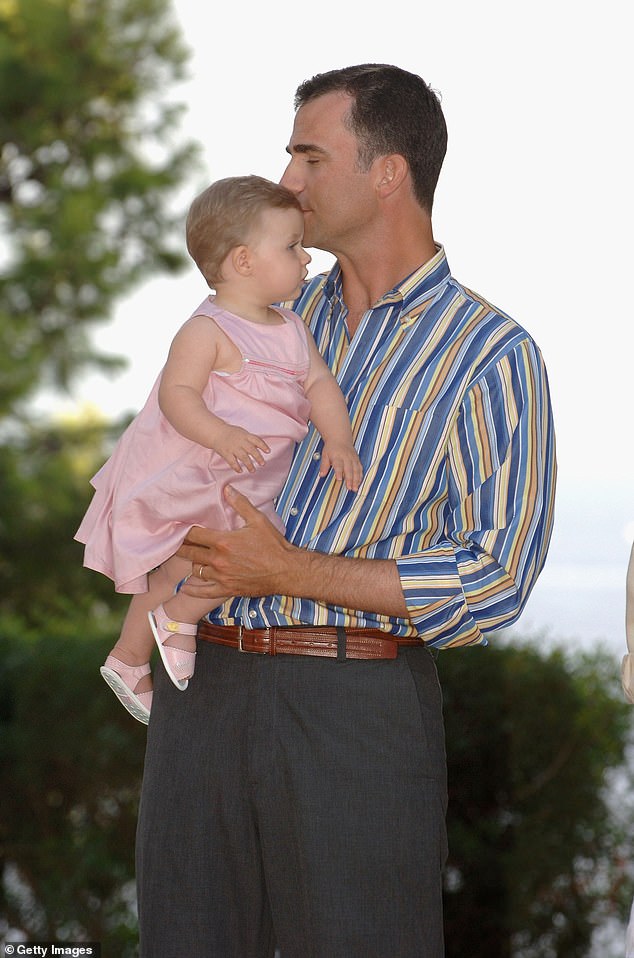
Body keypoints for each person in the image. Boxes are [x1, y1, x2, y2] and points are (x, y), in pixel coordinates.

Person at [135, 64, 557, 957]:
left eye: (309, 156)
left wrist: (288, 572)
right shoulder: (255, 316)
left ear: (388, 173)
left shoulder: (493, 355)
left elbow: (496, 576)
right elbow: (168, 455)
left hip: (355, 711)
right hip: (198, 691)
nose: (286, 181)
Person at [75, 175, 362, 724]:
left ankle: (135, 650)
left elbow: (320, 386)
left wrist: (339, 438)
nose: (306, 258)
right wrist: (221, 435)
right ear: (243, 262)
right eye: (292, 246)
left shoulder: (293, 328)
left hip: (250, 478)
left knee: (211, 556)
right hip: (207, 468)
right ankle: (164, 628)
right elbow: (176, 395)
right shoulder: (207, 329)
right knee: (210, 554)